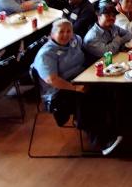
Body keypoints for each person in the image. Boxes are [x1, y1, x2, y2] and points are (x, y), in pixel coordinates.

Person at [32, 18, 122, 155]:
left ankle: (113, 127)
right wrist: (75, 88)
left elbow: (85, 46)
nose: (66, 35)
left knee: (108, 87)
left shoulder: (75, 40)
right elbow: (52, 79)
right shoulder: (46, 54)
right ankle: (102, 142)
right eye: (61, 32)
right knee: (86, 98)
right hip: (59, 92)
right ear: (51, 34)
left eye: (69, 31)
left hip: (80, 79)